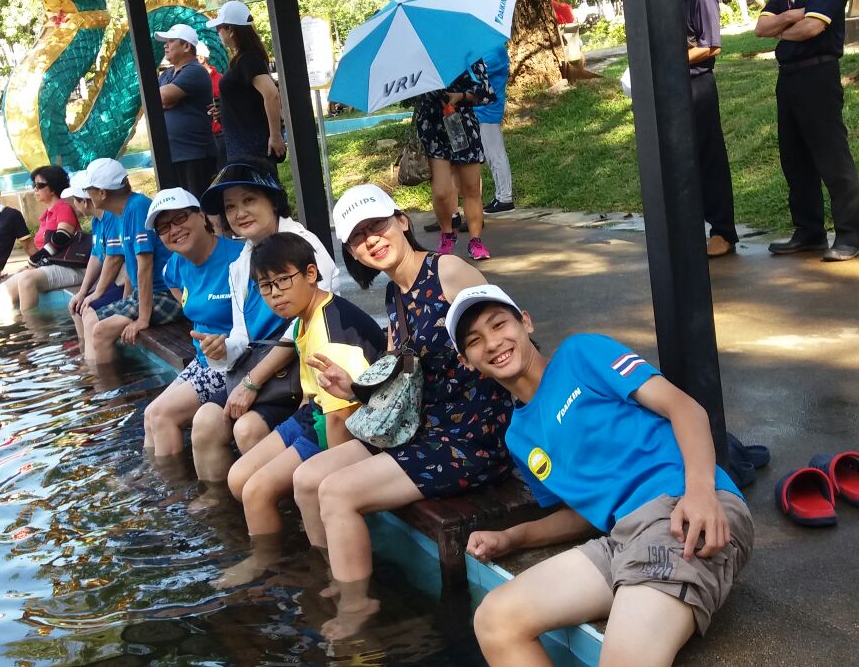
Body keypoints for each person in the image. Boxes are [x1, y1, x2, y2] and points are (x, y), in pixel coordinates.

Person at [446, 284, 753, 667]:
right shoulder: (519, 437)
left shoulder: (580, 354)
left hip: (681, 509)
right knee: (495, 620)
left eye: (499, 324)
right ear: (467, 362)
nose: (493, 343)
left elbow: (684, 408)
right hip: (622, 538)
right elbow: (581, 514)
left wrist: (701, 492)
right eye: (475, 340)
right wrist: (511, 537)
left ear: (525, 322)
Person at [291, 184, 513, 640]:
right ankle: (339, 573)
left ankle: (358, 602)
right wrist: (353, 387)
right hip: (422, 429)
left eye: (377, 226)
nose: (371, 240)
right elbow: (400, 377)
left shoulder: (448, 270)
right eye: (358, 237)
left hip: (471, 439)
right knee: (307, 479)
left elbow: (508, 334)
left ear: (402, 221)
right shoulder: (396, 294)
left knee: (338, 493)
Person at [216, 232, 384, 588]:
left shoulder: (331, 333)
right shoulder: (306, 315)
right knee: (239, 477)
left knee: (256, 491)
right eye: (265, 286)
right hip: (316, 412)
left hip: (347, 423)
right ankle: (283, 543)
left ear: (310, 273)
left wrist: (334, 481)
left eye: (282, 280)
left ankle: (291, 562)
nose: (275, 293)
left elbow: (342, 419)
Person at [188, 163, 338, 505]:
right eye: (230, 207)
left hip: (302, 375)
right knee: (206, 420)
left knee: (247, 428)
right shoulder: (240, 264)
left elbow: (309, 323)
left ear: (273, 201)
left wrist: (251, 383)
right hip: (264, 377)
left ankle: (279, 507)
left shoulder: (304, 246)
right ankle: (223, 509)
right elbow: (243, 337)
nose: (239, 213)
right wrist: (221, 349)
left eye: (249, 200)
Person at [756, 0, 859, 261]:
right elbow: (761, 27)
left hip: (818, 75)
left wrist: (782, 28)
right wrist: (790, 16)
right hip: (789, 77)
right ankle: (809, 231)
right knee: (794, 157)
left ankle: (850, 234)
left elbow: (813, 28)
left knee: (832, 156)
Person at [141, 187, 244, 457]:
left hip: (235, 362)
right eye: (164, 227)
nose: (173, 230)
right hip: (203, 361)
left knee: (162, 415)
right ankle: (153, 475)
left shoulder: (240, 258)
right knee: (150, 414)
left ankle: (172, 483)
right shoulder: (174, 267)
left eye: (180, 218)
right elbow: (186, 301)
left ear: (201, 216)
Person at [80, 159, 179, 363]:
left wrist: (142, 319)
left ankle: (107, 380)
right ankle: (93, 370)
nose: (86, 195)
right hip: (146, 294)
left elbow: (145, 266)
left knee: (101, 331)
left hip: (168, 294)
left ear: (102, 192)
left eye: (88, 190)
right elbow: (132, 267)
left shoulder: (137, 207)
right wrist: (126, 300)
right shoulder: (122, 212)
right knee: (90, 318)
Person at [678, 0, 739, 258]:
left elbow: (712, 45)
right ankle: (689, 228)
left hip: (698, 85)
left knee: (708, 157)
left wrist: (671, 59)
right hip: (672, 88)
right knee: (681, 159)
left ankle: (722, 232)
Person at [415, 60, 496, 260]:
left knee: (471, 188)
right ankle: (447, 234)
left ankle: (475, 241)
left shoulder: (466, 54)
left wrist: (459, 96)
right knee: (441, 192)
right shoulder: (418, 60)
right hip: (432, 127)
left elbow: (485, 91)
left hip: (463, 124)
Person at [206, 1, 286, 177]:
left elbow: (271, 94)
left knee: (257, 189)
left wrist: (275, 136)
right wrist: (224, 112)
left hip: (251, 148)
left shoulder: (248, 59)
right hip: (241, 145)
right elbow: (247, 101)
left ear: (231, 29)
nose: (218, 32)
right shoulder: (242, 59)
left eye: (219, 27)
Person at [0, 165, 84, 310]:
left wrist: (35, 260)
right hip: (53, 265)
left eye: (39, 185)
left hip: (73, 267)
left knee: (26, 279)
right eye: (34, 185)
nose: (35, 189)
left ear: (53, 188)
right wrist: (32, 265)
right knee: (5, 289)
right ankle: (16, 321)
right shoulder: (47, 215)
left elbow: (62, 237)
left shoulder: (63, 208)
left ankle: (32, 324)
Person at [155, 24, 217, 197]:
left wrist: (167, 100)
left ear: (187, 46)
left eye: (171, 41)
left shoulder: (195, 71)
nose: (165, 45)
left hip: (194, 155)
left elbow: (162, 98)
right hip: (172, 155)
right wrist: (166, 99)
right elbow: (151, 102)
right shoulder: (166, 75)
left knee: (198, 205)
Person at [67, 171, 125, 336]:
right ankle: (83, 347)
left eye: (75, 200)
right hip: (116, 284)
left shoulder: (111, 217)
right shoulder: (96, 221)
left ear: (85, 202)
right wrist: (82, 292)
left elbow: (114, 259)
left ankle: (90, 352)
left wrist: (97, 293)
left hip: (124, 286)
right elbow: (95, 256)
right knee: (76, 306)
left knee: (87, 309)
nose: (74, 205)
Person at [476, 44, 515, 214]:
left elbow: (477, 73)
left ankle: (505, 198)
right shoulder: (488, 49)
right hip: (481, 110)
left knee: (496, 155)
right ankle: (500, 196)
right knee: (492, 156)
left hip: (489, 111)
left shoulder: (495, 50)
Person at [197, 41, 227, 171]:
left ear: (201, 58)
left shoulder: (220, 80)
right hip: (199, 139)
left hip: (219, 137)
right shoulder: (189, 80)